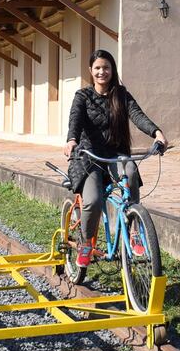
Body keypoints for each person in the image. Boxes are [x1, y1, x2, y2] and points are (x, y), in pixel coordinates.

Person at [64, 49, 167, 270]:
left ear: (112, 70)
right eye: (98, 68)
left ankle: (134, 230)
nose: (102, 72)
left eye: (106, 67)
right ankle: (85, 244)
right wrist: (72, 140)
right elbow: (75, 120)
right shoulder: (82, 96)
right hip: (88, 156)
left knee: (130, 172)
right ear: (91, 71)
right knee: (93, 200)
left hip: (114, 154)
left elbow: (137, 115)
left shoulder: (121, 94)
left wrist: (156, 132)